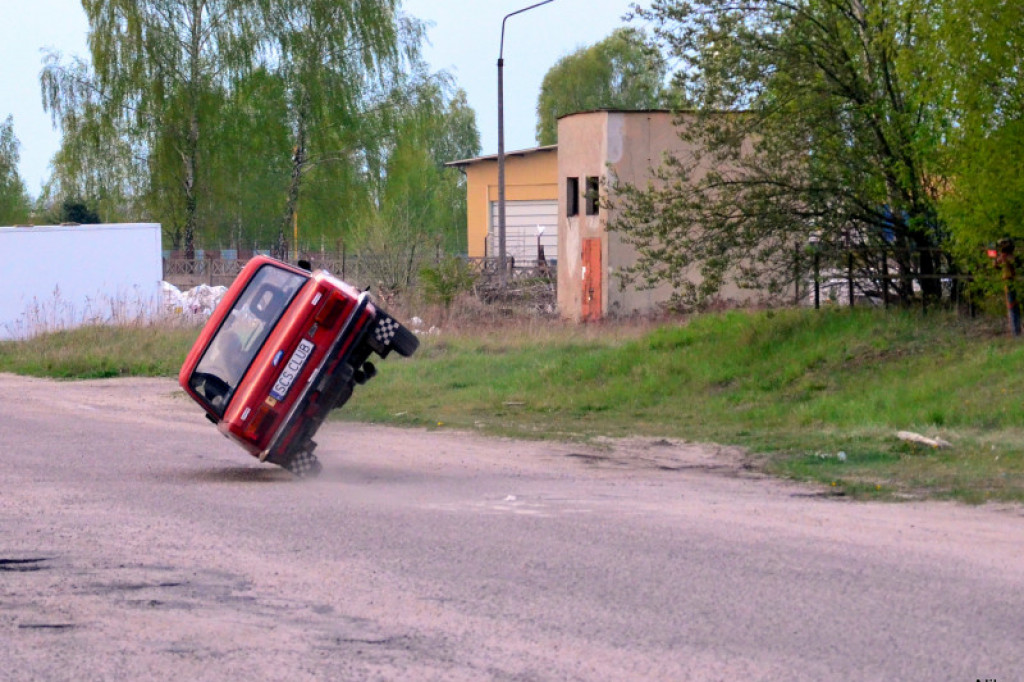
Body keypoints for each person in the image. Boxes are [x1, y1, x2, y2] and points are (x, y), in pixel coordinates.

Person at [995, 237, 1021, 336]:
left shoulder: (1008, 257)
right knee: (1012, 306)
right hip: (1008, 281)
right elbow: (996, 265)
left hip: (1010, 281)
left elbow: (1013, 262)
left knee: (1013, 306)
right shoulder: (1004, 256)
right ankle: (1015, 331)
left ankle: (1016, 331)